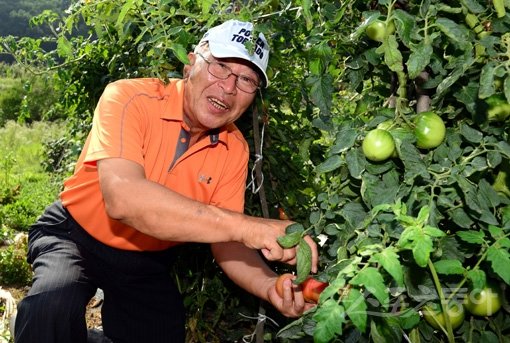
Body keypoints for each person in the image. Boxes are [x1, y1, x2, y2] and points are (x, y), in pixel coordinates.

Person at [14, 19, 319, 343]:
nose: (229, 88)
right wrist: (249, 227)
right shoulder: (129, 98)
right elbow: (123, 199)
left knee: (162, 333)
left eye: (246, 79)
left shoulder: (234, 150)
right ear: (191, 64)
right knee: (48, 313)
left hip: (145, 258)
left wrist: (269, 285)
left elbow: (226, 242)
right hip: (73, 235)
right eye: (220, 67)